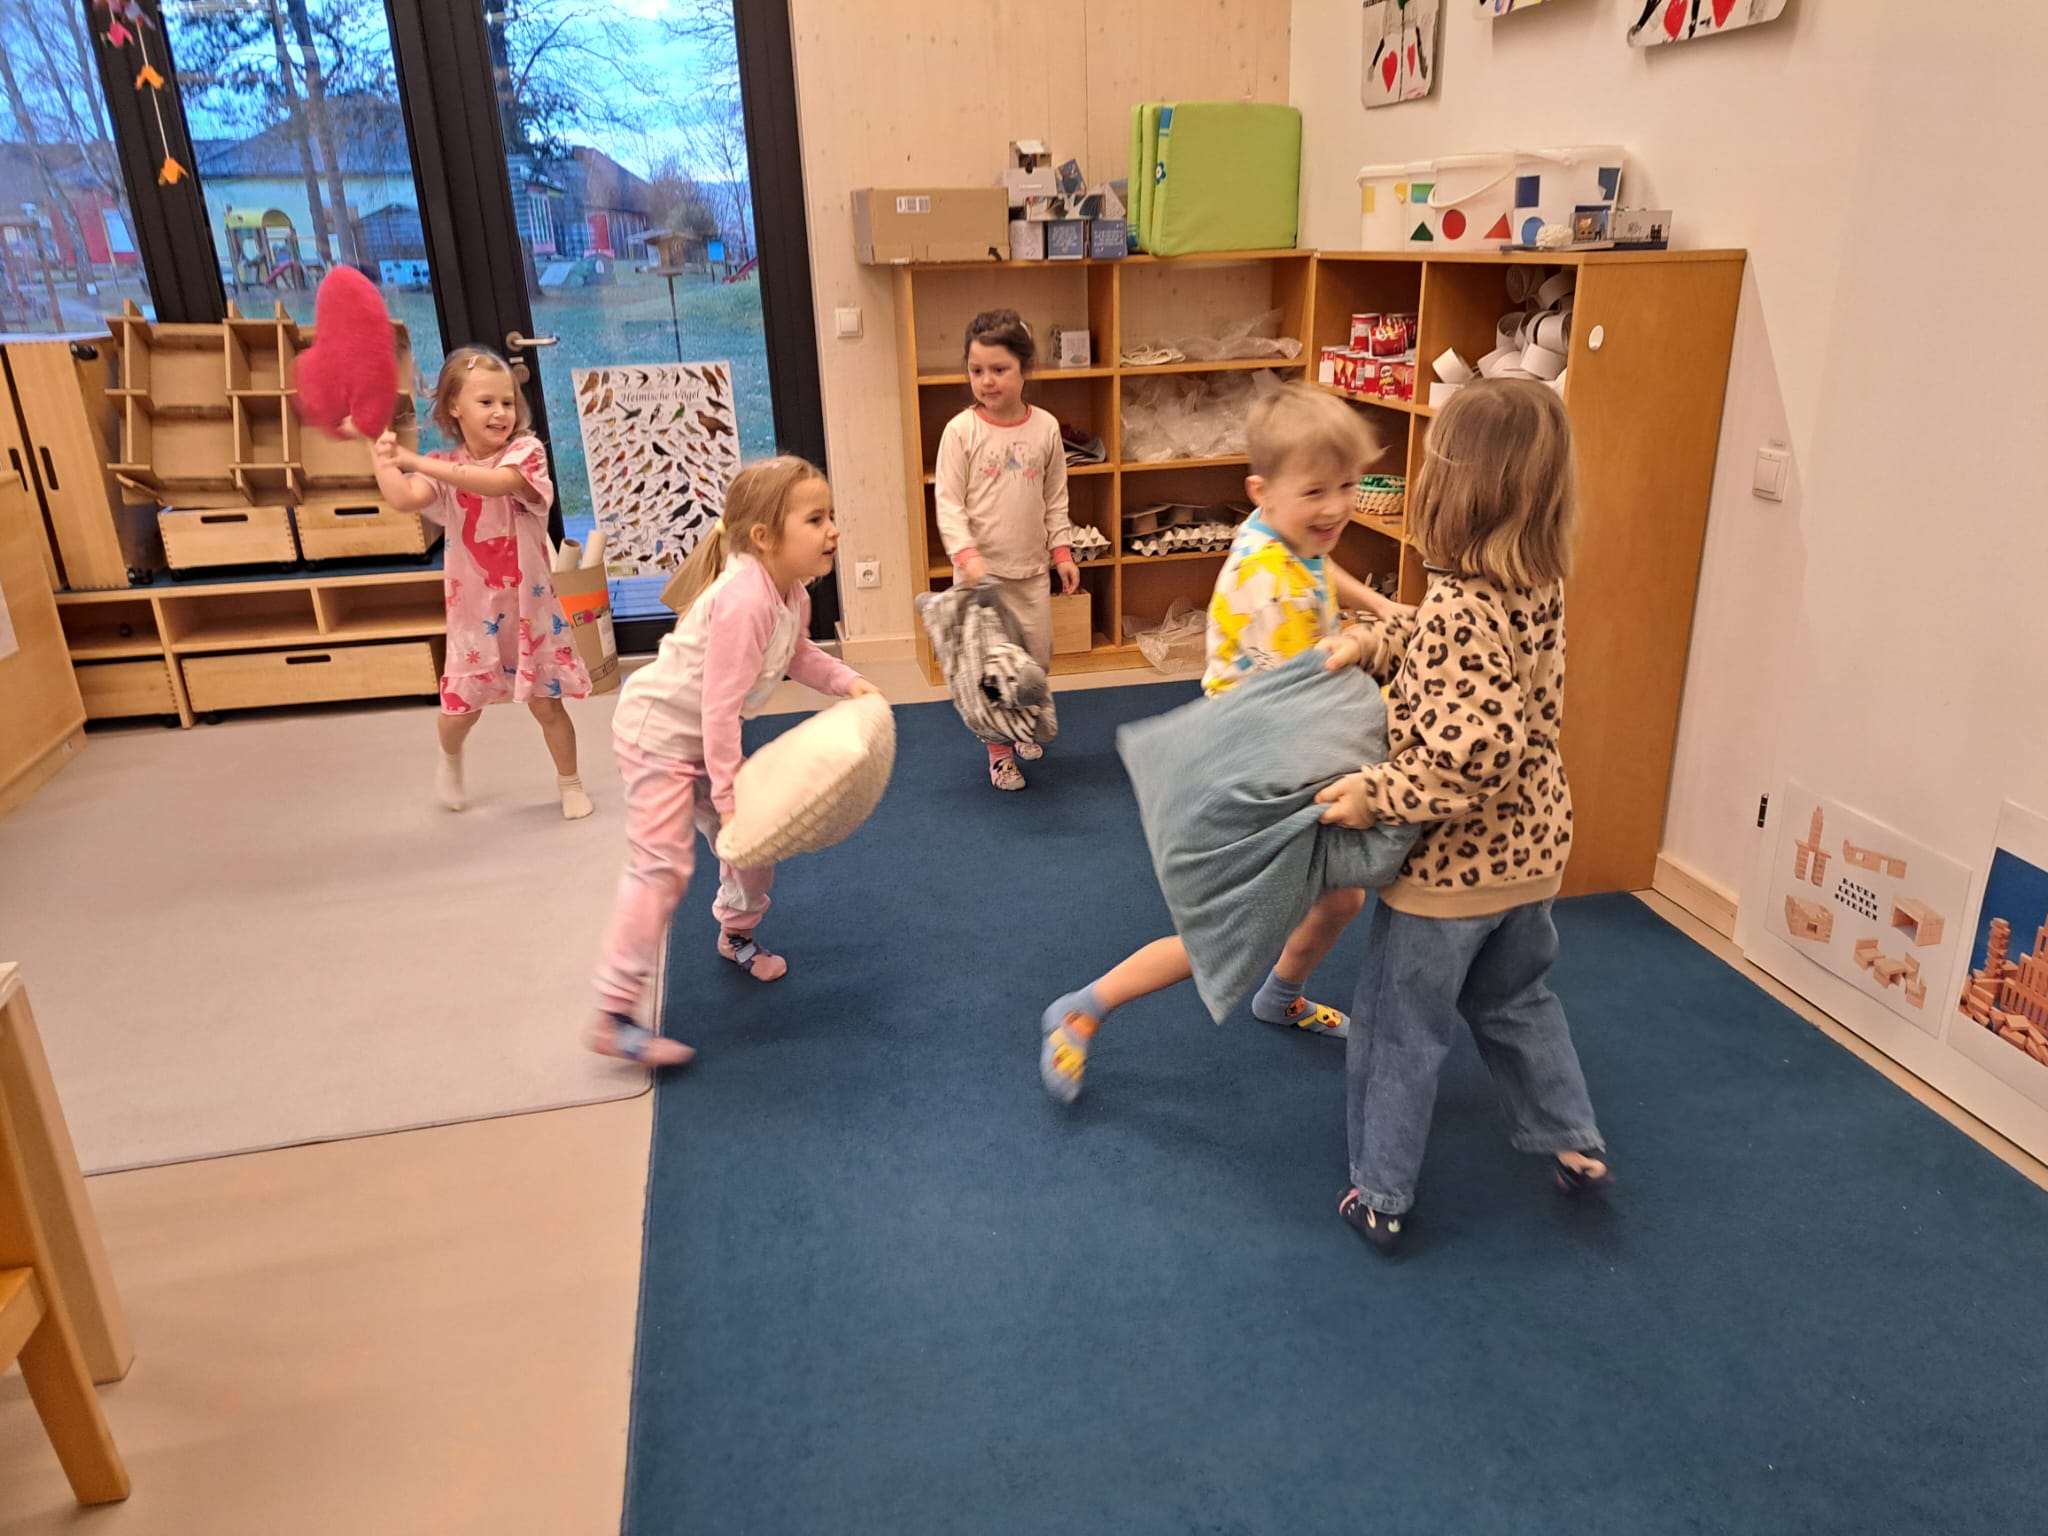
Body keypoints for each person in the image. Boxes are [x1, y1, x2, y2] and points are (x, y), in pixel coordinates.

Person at [1039, 383, 1401, 1104]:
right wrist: (1378, 657)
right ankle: (1082, 1008)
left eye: (1347, 486)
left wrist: (1379, 605)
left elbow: (1321, 565)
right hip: (1254, 767)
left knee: (1340, 899)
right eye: (1316, 492)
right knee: (1220, 934)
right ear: (1261, 492)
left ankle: (1281, 996)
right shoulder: (1269, 582)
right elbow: (1319, 693)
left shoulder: (1284, 533)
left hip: (1283, 746)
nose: (1335, 508)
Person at [1315, 379, 1612, 1255]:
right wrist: (1375, 639)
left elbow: (1471, 755)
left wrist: (1377, 794)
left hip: (1452, 874)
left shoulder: (1460, 606)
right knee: (1516, 995)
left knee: (1398, 1029)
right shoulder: (1534, 585)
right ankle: (1571, 1136)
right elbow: (1453, 653)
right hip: (1535, 851)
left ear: (1453, 487)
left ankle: (1381, 1190)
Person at [588, 457, 878, 1068]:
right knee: (662, 869)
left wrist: (847, 681)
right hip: (657, 738)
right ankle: (613, 1014)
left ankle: (736, 934)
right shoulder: (743, 599)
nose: (833, 530)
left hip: (704, 740)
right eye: (815, 519)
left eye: (831, 516)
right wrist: (727, 801)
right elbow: (718, 710)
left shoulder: (790, 592)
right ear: (764, 537)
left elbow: (797, 654)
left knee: (755, 847)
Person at [370, 346, 592, 819]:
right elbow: (405, 498)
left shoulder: (525, 454)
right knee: (459, 713)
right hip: (473, 616)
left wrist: (415, 460)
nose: (500, 412)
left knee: (547, 706)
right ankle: (450, 760)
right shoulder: (443, 466)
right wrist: (381, 455)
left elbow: (493, 483)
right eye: (486, 402)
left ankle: (570, 783)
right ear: (454, 406)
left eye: (507, 402)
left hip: (530, 612)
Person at [933, 309, 1079, 790]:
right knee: (991, 668)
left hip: (1031, 573)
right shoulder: (961, 431)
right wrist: (967, 557)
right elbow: (949, 504)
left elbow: (1055, 497)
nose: (987, 381)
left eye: (999, 369)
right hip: (980, 579)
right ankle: (999, 752)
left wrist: (1062, 552)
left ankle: (1021, 725)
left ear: (1025, 369)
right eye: (976, 370)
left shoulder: (1046, 428)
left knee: (1034, 661)